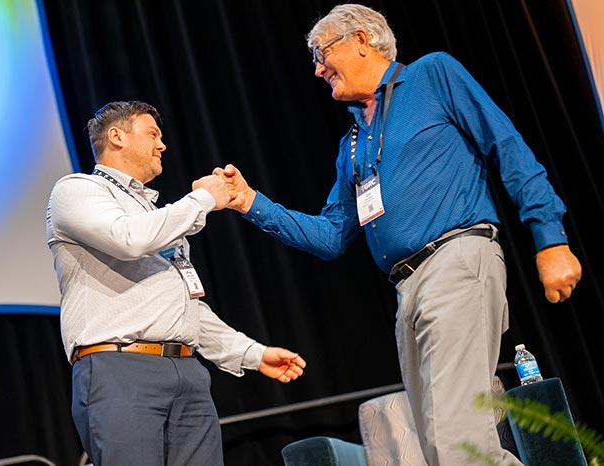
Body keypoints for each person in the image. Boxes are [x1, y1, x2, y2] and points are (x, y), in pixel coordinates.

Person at [217, 4, 581, 466]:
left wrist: (550, 238)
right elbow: (331, 236)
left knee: (459, 443)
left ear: (361, 40)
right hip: (406, 290)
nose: (317, 69)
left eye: (321, 53)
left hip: (456, 259)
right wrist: (250, 202)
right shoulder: (352, 143)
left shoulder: (433, 75)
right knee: (440, 448)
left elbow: (506, 146)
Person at [45, 100, 306, 466]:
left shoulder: (155, 214)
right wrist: (203, 198)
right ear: (117, 136)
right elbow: (127, 238)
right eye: (153, 134)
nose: (162, 144)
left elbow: (183, 307)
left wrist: (253, 353)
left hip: (187, 372)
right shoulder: (76, 190)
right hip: (120, 368)